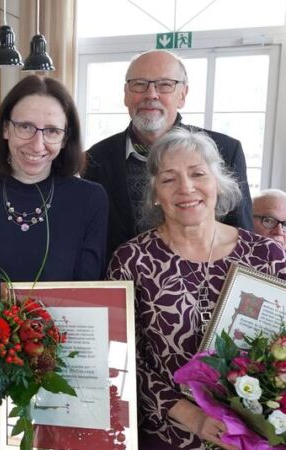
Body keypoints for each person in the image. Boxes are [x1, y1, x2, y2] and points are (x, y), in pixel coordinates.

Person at [0, 75, 109, 449]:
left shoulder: (90, 199)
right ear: (4, 128)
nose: (37, 143)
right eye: (25, 127)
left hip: (56, 374)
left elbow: (88, 296)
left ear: (66, 138)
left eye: (51, 130)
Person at [107, 128, 286, 449]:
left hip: (256, 434)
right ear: (155, 193)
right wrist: (193, 416)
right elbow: (124, 359)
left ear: (219, 182)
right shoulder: (131, 260)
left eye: (198, 174)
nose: (186, 188)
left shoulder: (266, 255)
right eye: (169, 179)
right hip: (166, 435)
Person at [83, 49, 253, 258]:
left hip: (208, 283)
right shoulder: (95, 159)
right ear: (126, 94)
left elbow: (243, 239)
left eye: (165, 85)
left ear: (183, 95)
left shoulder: (225, 151)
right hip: (122, 282)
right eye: (139, 84)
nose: (151, 94)